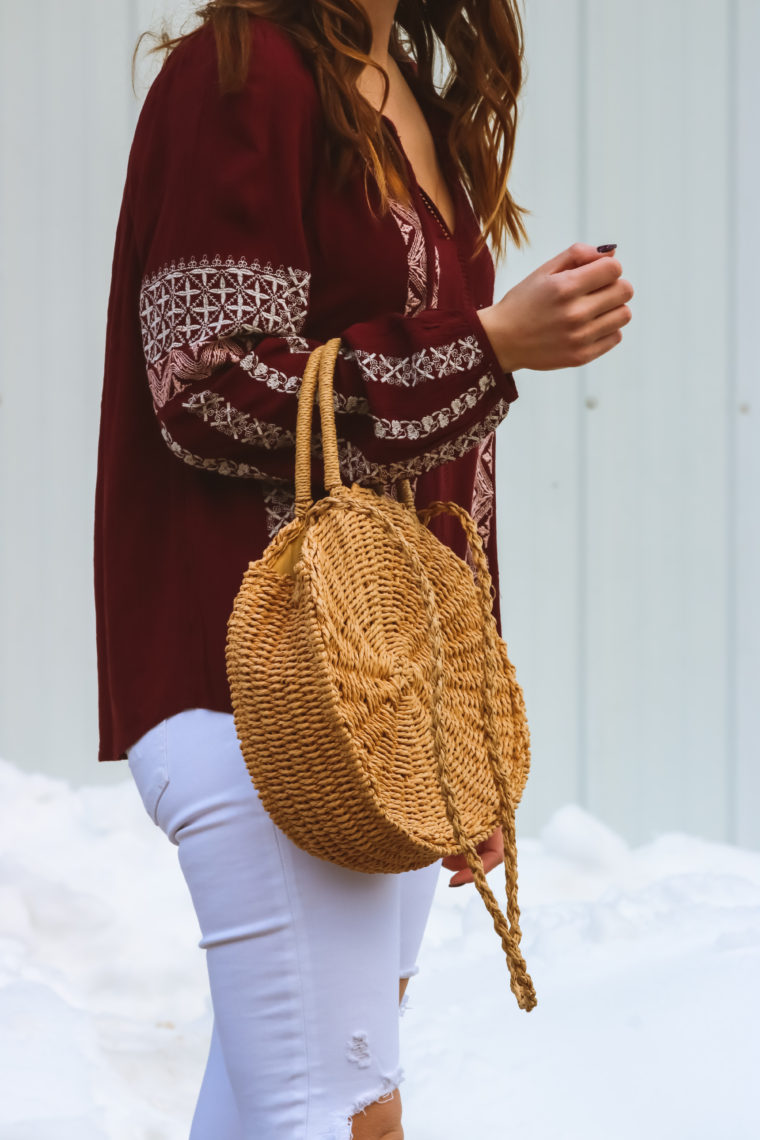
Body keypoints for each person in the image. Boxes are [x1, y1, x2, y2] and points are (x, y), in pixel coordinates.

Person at [94, 2, 633, 1137]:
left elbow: (450, 451)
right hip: (259, 683)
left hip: (379, 700)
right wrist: (487, 345)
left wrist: (457, 713)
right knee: (338, 1112)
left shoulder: (407, 95)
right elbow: (205, 386)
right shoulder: (237, 77)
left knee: (270, 1108)